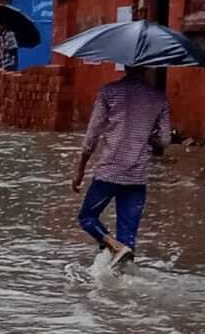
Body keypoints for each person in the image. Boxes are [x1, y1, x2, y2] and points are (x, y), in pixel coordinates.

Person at [72, 66, 171, 269]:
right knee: (128, 236)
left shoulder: (108, 92)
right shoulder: (158, 97)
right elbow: (164, 139)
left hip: (108, 172)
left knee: (87, 217)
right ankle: (122, 279)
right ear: (147, 67)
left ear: (125, 65)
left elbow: (92, 133)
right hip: (137, 176)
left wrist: (81, 168)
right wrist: (146, 136)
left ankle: (113, 246)